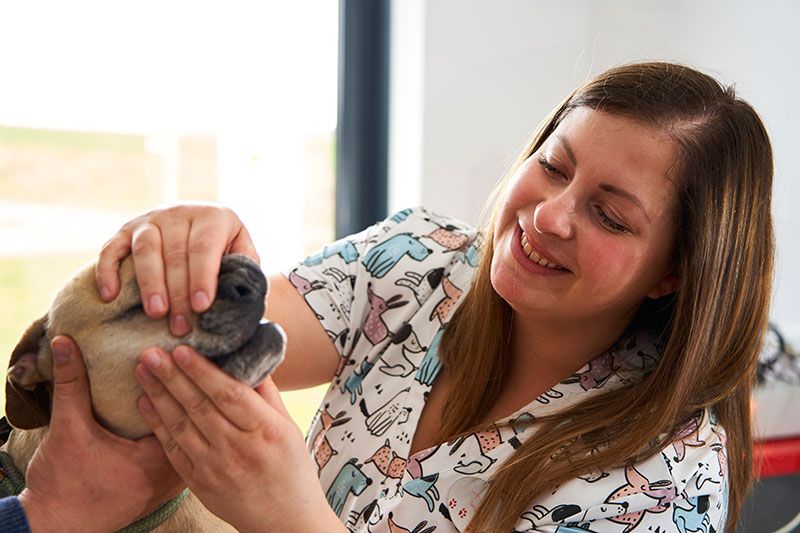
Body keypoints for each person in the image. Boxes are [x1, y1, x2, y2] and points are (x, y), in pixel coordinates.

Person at [2, 61, 773, 531]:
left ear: (673, 273)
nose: (548, 215)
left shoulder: (665, 488)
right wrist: (194, 250)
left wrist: (291, 520)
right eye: (555, 164)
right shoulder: (417, 262)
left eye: (609, 214)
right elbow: (237, 318)